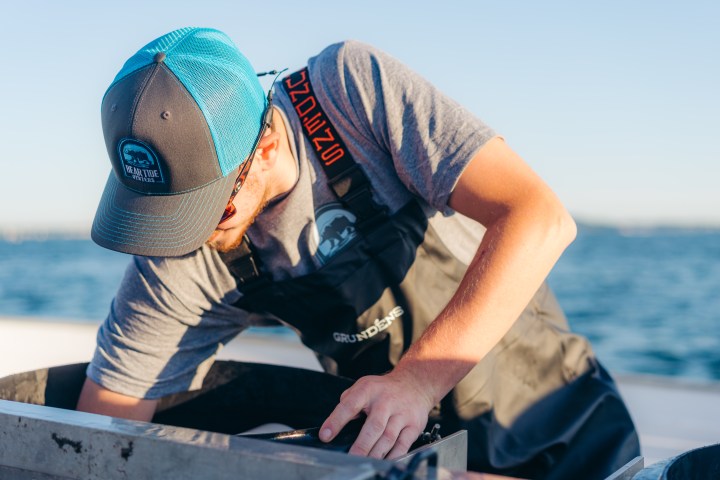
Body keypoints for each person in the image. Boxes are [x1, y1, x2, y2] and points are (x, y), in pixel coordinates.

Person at [77, 27, 639, 479]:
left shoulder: (348, 95)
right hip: (406, 462)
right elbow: (101, 436)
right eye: (159, 216)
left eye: (206, 210)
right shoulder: (176, 255)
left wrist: (418, 381)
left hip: (569, 432)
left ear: (268, 144)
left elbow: (538, 218)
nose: (185, 238)